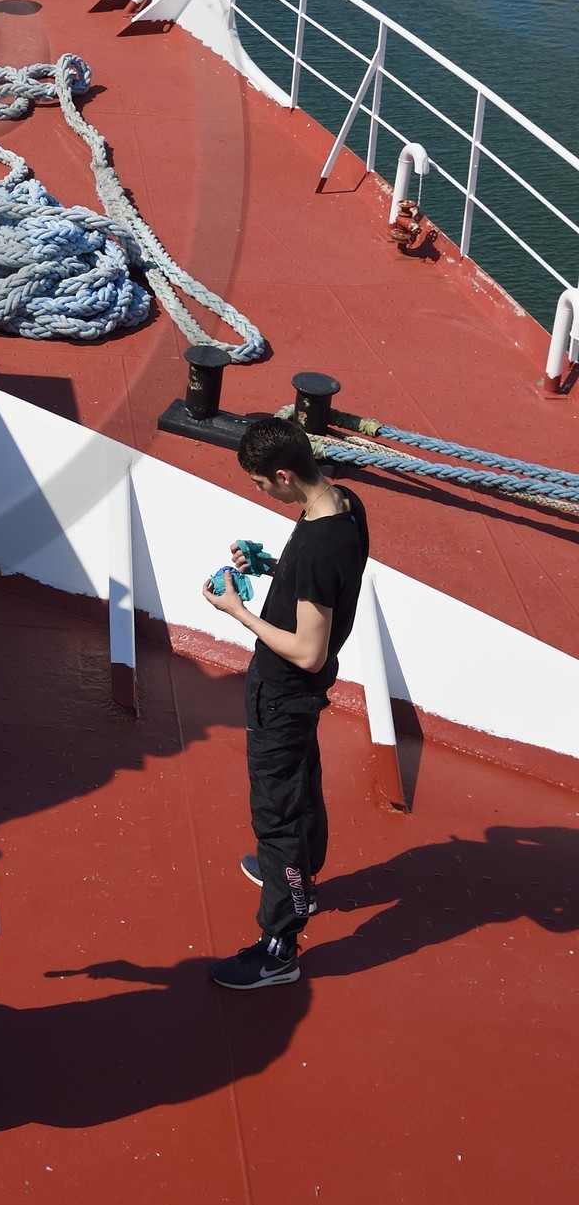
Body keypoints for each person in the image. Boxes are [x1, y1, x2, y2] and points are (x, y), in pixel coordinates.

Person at [203, 415, 369, 989]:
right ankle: (304, 878)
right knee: (302, 784)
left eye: (260, 484)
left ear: (282, 474)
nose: (262, 493)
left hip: (283, 695)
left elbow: (308, 651)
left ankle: (279, 946)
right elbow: (324, 582)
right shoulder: (344, 503)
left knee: (277, 819)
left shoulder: (322, 547)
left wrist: (237, 612)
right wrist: (273, 566)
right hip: (293, 700)